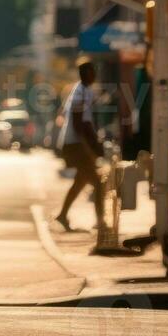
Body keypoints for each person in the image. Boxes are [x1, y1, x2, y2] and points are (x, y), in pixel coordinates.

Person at [55, 58, 104, 231]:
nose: (95, 75)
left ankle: (62, 215)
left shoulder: (83, 91)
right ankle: (101, 221)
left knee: (80, 181)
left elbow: (86, 123)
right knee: (98, 184)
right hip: (76, 144)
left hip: (76, 143)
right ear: (86, 74)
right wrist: (92, 146)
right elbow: (80, 124)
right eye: (92, 71)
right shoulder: (81, 92)